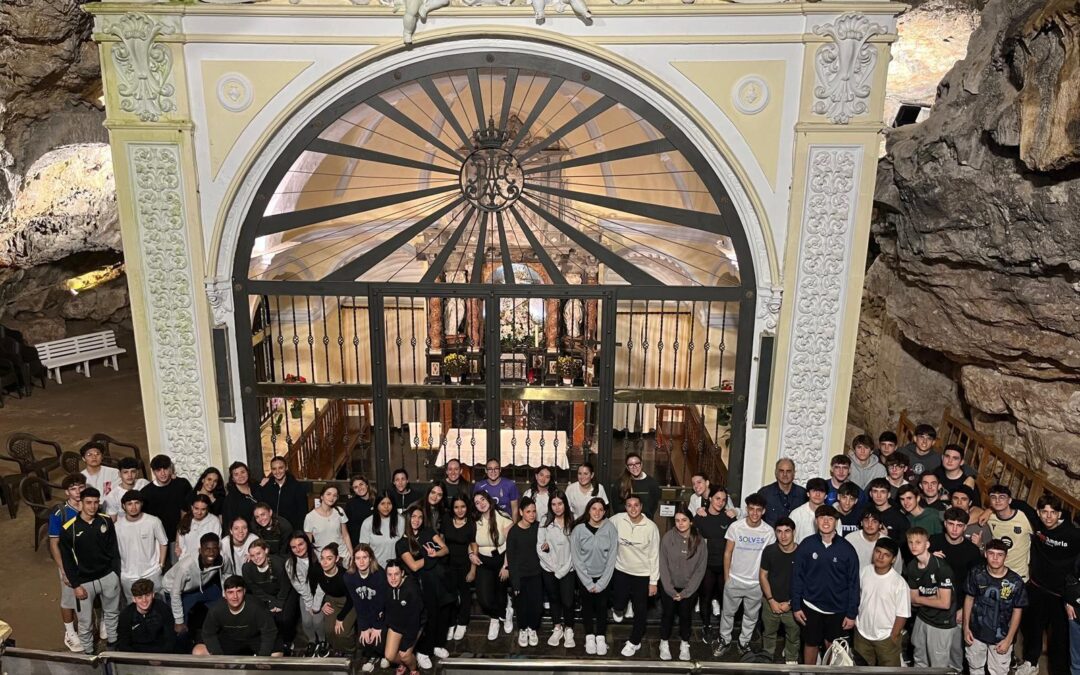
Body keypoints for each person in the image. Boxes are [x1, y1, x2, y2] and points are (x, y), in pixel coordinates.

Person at [1015, 494, 1080, 675]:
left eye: (1053, 512)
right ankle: (1031, 661)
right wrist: (988, 509)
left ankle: (1058, 671)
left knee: (1059, 638)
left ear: (1059, 514)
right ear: (1038, 512)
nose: (1048, 516)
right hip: (1037, 587)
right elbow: (1015, 502)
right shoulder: (1036, 524)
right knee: (1032, 628)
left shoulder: (1072, 534)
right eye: (1044, 512)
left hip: (1060, 595)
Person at [791, 505, 860, 665]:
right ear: (816, 521)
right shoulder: (806, 545)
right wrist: (796, 606)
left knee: (833, 646)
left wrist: (851, 613)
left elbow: (853, 583)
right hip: (811, 606)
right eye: (822, 518)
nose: (826, 521)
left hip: (837, 609)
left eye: (830, 518)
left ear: (836, 522)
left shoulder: (847, 549)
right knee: (810, 643)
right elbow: (797, 577)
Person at [58, 486, 122, 653]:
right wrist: (76, 585)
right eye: (88, 503)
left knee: (112, 613)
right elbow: (68, 561)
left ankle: (113, 644)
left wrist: (115, 574)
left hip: (108, 577)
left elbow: (113, 549)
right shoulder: (68, 529)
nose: (92, 506)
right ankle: (89, 654)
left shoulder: (106, 521)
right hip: (84, 583)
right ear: (81, 503)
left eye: (95, 502)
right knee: (85, 622)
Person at [715, 492, 774, 655]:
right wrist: (727, 578)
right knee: (727, 614)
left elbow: (770, 559)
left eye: (758, 510)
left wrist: (764, 581)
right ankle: (724, 640)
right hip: (735, 580)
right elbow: (728, 552)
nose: (754, 513)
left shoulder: (768, 531)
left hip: (755, 583)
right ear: (747, 509)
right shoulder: (736, 527)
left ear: (764, 511)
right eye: (751, 509)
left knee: (751, 617)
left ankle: (744, 643)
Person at [396, 504, 452, 667]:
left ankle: (437, 644)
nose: (417, 520)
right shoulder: (402, 543)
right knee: (430, 616)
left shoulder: (428, 532)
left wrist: (436, 553)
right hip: (421, 584)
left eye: (420, 517)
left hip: (439, 580)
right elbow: (413, 566)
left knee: (444, 612)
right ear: (408, 519)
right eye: (413, 517)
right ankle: (423, 651)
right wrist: (431, 557)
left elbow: (445, 549)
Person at [964, 539, 1028, 675]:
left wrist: (1009, 639)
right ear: (985, 554)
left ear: (1006, 556)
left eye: (1000, 554)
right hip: (976, 634)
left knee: (998, 672)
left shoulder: (1015, 581)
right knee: (975, 668)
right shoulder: (976, 573)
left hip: (1001, 637)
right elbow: (969, 598)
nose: (995, 558)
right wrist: (965, 628)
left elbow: (1018, 610)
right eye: (991, 553)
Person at [930, 505, 982, 670]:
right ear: (945, 523)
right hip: (933, 605)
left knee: (955, 653)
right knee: (933, 652)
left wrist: (964, 610)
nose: (954, 529)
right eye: (951, 524)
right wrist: (928, 558)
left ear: (965, 527)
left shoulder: (972, 551)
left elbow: (975, 585)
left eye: (959, 525)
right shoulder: (933, 542)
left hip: (958, 608)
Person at [610, 494, 660, 657]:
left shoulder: (651, 527)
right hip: (621, 570)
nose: (633, 508)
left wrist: (653, 581)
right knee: (617, 603)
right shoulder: (618, 519)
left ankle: (634, 641)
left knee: (641, 610)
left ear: (641, 507)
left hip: (642, 574)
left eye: (636, 505)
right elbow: (601, 527)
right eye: (629, 505)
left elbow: (654, 555)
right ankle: (623, 606)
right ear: (625, 507)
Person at [570, 497, 618, 656]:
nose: (597, 512)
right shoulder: (578, 530)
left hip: (604, 577)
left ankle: (600, 637)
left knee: (603, 608)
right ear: (588, 510)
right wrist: (588, 583)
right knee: (588, 608)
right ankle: (590, 636)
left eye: (600, 509)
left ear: (604, 512)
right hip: (585, 578)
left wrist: (602, 583)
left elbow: (612, 558)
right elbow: (576, 558)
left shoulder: (610, 528)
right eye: (593, 509)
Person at [904, 526, 957, 668]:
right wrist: (934, 598)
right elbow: (913, 601)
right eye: (910, 542)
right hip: (922, 617)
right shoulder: (912, 566)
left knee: (938, 665)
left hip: (941, 622)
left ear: (927, 544)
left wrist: (918, 599)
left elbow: (945, 603)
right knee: (919, 658)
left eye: (918, 542)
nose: (913, 546)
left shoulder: (941, 568)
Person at [658, 508, 706, 661]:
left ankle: (685, 643)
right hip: (669, 587)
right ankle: (663, 642)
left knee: (686, 616)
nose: (680, 524)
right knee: (668, 615)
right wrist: (670, 590)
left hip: (689, 589)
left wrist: (686, 593)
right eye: (677, 520)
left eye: (684, 520)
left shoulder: (699, 540)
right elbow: (662, 565)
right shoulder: (667, 538)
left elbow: (700, 570)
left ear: (691, 521)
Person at [853, 538, 909, 666]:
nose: (880, 557)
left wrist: (893, 636)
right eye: (878, 552)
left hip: (886, 638)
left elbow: (903, 614)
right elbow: (857, 598)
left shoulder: (899, 583)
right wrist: (857, 623)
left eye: (886, 555)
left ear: (893, 559)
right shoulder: (864, 572)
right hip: (862, 635)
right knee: (861, 671)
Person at [194, 575, 281, 656]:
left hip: (255, 638)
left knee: (276, 654)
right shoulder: (216, 609)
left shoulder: (256, 606)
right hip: (230, 639)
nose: (235, 596)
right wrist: (219, 657)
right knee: (198, 651)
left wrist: (263, 657)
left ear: (244, 591)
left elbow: (269, 632)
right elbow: (208, 633)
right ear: (225, 594)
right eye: (230, 592)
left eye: (238, 591)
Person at [164, 532, 224, 646]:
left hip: (199, 586)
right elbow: (175, 593)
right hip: (177, 591)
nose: (211, 553)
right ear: (200, 550)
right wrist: (179, 621)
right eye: (207, 549)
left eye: (215, 548)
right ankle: (183, 650)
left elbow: (227, 574)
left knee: (222, 603)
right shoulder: (186, 567)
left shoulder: (221, 559)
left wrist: (227, 594)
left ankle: (217, 637)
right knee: (180, 627)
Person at [48, 473, 86, 652]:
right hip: (69, 563)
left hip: (89, 561)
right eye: (73, 489)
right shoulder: (59, 513)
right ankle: (70, 632)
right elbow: (54, 543)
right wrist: (63, 570)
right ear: (66, 492)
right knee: (68, 599)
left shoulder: (91, 506)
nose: (77, 492)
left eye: (80, 487)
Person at [694, 484, 737, 636]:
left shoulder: (729, 517)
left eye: (724, 500)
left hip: (724, 565)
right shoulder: (700, 516)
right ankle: (706, 626)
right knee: (705, 596)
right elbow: (693, 541)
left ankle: (724, 629)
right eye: (717, 498)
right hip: (706, 565)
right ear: (710, 498)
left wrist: (735, 512)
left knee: (725, 597)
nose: (720, 502)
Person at [469, 490, 513, 640]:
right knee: (484, 599)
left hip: (501, 559)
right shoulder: (475, 520)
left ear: (489, 499)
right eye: (477, 502)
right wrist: (471, 554)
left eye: (482, 499)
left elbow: (511, 544)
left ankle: (502, 614)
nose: (481, 503)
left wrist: (506, 566)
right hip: (483, 561)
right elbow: (471, 542)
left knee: (500, 594)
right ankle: (498, 615)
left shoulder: (503, 517)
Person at [242, 539, 299, 652]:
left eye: (258, 553)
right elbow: (255, 589)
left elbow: (285, 585)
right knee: (265, 616)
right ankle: (270, 644)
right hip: (266, 595)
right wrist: (270, 601)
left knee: (284, 617)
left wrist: (279, 602)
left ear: (266, 551)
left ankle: (287, 642)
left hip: (285, 592)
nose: (256, 558)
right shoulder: (247, 568)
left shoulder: (278, 564)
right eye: (252, 555)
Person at [115, 489, 168, 602]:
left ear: (141, 504)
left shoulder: (153, 521)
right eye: (129, 504)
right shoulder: (117, 526)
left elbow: (163, 543)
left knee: (159, 603)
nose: (133, 507)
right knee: (133, 608)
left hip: (152, 572)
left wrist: (161, 565)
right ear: (123, 506)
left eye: (136, 503)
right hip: (129, 576)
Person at [538, 491, 576, 648]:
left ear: (565, 504)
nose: (557, 507)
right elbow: (540, 547)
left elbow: (576, 550)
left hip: (568, 569)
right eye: (553, 504)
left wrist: (563, 570)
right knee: (554, 599)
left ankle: (569, 629)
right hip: (549, 568)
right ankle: (557, 627)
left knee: (568, 601)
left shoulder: (573, 520)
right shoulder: (545, 520)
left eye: (560, 503)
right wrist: (553, 567)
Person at [760, 517, 800, 665]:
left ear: (794, 532)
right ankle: (767, 658)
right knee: (768, 634)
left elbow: (805, 581)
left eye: (787, 531)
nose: (783, 536)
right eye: (779, 531)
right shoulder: (769, 551)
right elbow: (763, 575)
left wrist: (790, 603)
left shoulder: (802, 552)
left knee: (793, 637)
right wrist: (771, 600)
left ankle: (791, 659)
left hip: (793, 605)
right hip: (770, 603)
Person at [141, 455, 193, 564]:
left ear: (170, 469)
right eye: (158, 470)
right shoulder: (146, 492)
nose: (163, 473)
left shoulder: (182, 484)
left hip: (180, 535)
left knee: (180, 569)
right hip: (157, 540)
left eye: (165, 469)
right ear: (154, 472)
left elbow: (189, 511)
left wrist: (181, 536)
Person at [344, 545, 389, 673]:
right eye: (358, 558)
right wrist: (364, 627)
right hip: (364, 611)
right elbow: (357, 603)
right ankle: (372, 657)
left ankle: (382, 654)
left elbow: (381, 603)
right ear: (354, 560)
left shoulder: (379, 574)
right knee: (364, 640)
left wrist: (376, 626)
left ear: (370, 559)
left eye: (365, 557)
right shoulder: (349, 577)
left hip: (381, 611)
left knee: (378, 639)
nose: (361, 561)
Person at [506, 497, 543, 648]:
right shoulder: (514, 532)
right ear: (521, 512)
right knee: (521, 604)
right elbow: (511, 557)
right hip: (520, 575)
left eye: (534, 511)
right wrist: (515, 581)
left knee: (536, 604)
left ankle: (532, 629)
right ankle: (522, 629)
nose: (532, 514)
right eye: (528, 511)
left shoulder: (538, 527)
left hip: (536, 574)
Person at [441, 495, 476, 642]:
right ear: (452, 508)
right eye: (456, 507)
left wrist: (473, 569)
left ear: (467, 507)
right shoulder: (447, 520)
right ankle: (451, 623)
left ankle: (462, 623)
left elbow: (474, 546)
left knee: (465, 594)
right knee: (450, 595)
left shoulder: (471, 523)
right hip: (448, 564)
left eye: (463, 506)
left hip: (465, 564)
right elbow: (442, 541)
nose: (460, 510)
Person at [283, 532, 326, 654]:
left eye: (300, 544)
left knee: (317, 621)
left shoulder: (319, 555)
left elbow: (323, 582)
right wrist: (309, 603)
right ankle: (312, 641)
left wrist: (316, 605)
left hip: (322, 591)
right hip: (306, 594)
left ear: (307, 542)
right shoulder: (290, 563)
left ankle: (323, 641)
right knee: (307, 621)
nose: (298, 549)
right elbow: (300, 585)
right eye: (293, 547)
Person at [311, 543, 356, 656]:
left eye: (329, 558)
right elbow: (313, 588)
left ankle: (350, 652)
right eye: (322, 558)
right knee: (329, 630)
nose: (324, 562)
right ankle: (338, 649)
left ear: (336, 559)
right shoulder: (317, 571)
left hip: (349, 602)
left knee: (342, 633)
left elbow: (351, 599)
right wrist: (322, 604)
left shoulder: (345, 576)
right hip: (332, 600)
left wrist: (340, 618)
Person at [986, 484, 1035, 582]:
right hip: (997, 573)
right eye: (993, 497)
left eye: (1002, 497)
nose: (998, 500)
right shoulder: (990, 519)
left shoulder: (1024, 517)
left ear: (1010, 500)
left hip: (1019, 575)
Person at [383, 559, 424, 675]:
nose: (393, 578)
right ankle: (404, 664)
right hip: (397, 623)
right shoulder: (387, 586)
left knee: (405, 655)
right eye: (389, 575)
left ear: (402, 573)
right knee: (389, 656)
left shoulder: (411, 589)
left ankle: (414, 669)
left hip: (414, 624)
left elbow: (414, 620)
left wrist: (406, 645)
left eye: (396, 574)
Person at [116, 578, 177, 653]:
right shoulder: (126, 615)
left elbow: (170, 638)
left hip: (161, 653)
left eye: (147, 595)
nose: (144, 600)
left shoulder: (163, 608)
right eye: (139, 597)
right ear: (134, 599)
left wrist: (160, 657)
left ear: (153, 595)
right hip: (137, 656)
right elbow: (124, 644)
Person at [259, 456, 309, 533]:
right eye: (274, 469)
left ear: (286, 468)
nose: (277, 471)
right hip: (272, 531)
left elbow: (302, 513)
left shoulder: (297, 487)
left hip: (292, 531)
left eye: (280, 468)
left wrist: (298, 532)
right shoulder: (267, 487)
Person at [305, 484, 352, 558]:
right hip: (324, 558)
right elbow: (308, 542)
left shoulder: (339, 511)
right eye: (328, 494)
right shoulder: (310, 517)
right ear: (322, 496)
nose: (331, 498)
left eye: (335, 495)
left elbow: (345, 535)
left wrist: (351, 554)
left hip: (342, 555)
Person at [609, 452, 661, 518]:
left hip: (645, 522)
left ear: (641, 464)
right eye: (630, 465)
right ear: (627, 467)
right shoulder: (620, 483)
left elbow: (653, 507)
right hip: (625, 522)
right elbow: (616, 507)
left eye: (637, 463)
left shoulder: (652, 483)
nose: (634, 467)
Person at [359, 492, 404, 566]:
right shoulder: (368, 522)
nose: (386, 507)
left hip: (394, 568)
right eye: (382, 503)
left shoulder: (400, 520)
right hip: (375, 567)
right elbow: (363, 549)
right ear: (377, 505)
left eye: (389, 503)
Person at [759, 458, 807, 526]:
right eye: (781, 471)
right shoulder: (764, 494)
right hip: (770, 536)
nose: (785, 474)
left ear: (794, 473)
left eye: (788, 471)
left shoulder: (803, 494)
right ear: (776, 472)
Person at [176, 494, 221, 561]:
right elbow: (180, 544)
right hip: (186, 561)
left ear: (207, 509)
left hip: (207, 562)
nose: (199, 512)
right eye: (196, 508)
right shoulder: (185, 519)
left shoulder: (214, 521)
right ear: (192, 507)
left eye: (203, 509)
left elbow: (217, 544)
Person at [866, 478, 909, 546]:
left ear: (888, 495)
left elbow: (905, 546)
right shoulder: (866, 512)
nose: (878, 496)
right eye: (875, 491)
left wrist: (887, 537)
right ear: (870, 494)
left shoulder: (899, 518)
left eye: (883, 492)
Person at [222, 461, 262, 529]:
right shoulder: (231, 499)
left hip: (264, 529)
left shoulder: (258, 488)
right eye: (236, 474)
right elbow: (228, 523)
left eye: (243, 472)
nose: (240, 476)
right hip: (245, 533)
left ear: (248, 473)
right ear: (233, 479)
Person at [789, 477, 827, 544]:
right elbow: (790, 540)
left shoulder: (833, 514)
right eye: (814, 491)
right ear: (808, 494)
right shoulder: (796, 514)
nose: (817, 494)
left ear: (826, 496)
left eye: (821, 491)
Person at [344, 475, 375, 547]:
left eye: (361, 484)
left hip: (376, 543)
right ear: (353, 490)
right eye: (356, 487)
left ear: (367, 485)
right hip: (358, 544)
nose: (359, 488)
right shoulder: (350, 504)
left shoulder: (376, 500)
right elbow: (348, 528)